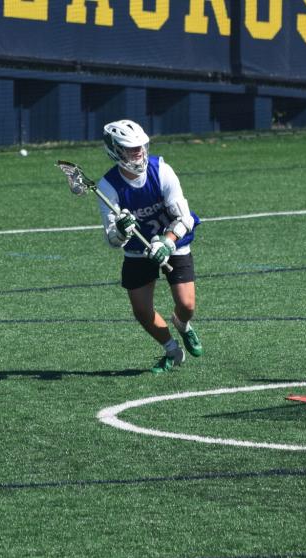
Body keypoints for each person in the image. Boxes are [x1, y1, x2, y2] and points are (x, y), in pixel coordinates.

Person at [96, 119, 203, 373]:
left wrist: (167, 242)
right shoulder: (107, 186)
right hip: (138, 249)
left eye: (140, 147)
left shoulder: (162, 171)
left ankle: (182, 325)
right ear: (115, 151)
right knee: (142, 310)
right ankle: (172, 351)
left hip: (173, 241)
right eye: (131, 149)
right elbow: (112, 240)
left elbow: (185, 219)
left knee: (187, 305)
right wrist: (122, 230)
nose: (139, 152)